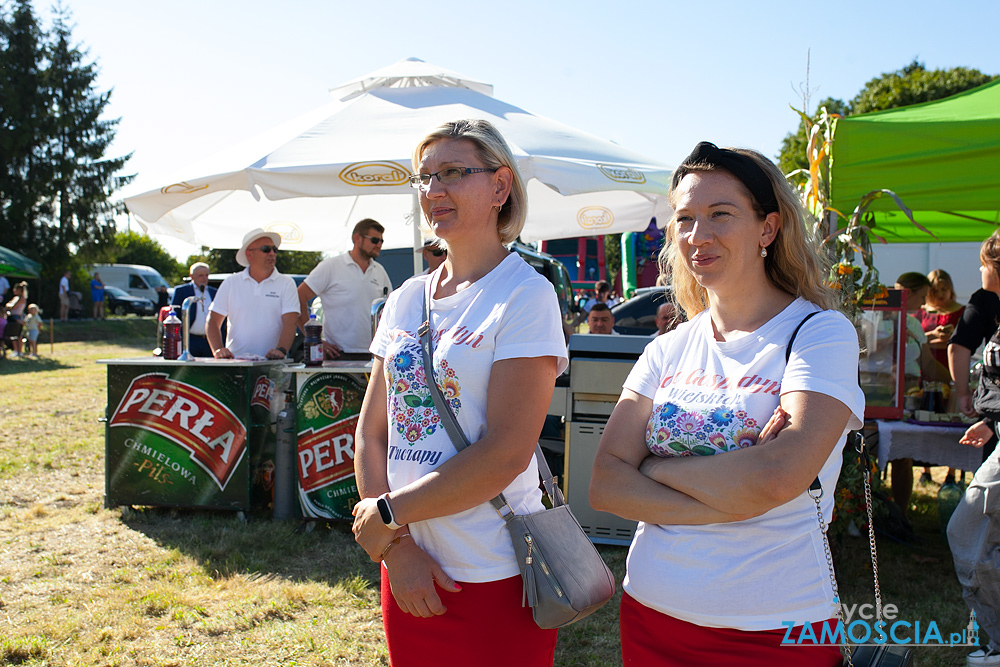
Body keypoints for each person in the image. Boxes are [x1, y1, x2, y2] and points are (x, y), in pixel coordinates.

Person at [589, 141, 864, 666]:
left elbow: (776, 479)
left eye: (720, 214)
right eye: (685, 219)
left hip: (774, 627)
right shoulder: (666, 346)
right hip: (651, 613)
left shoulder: (819, 334)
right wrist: (736, 490)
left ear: (768, 227)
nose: (698, 235)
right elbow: (604, 482)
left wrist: (652, 465)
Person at [351, 119, 568, 667]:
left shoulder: (525, 295)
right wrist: (395, 548)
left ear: (500, 187)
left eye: (452, 173)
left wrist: (384, 517)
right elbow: (372, 430)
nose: (433, 191)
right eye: (424, 178)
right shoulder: (404, 298)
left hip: (493, 571)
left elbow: (504, 454)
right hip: (408, 566)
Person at [948, 231, 1000, 667]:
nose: (979, 273)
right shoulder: (990, 307)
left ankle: (995, 642)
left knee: (967, 532)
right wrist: (991, 421)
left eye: (982, 263)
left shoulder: (984, 302)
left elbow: (957, 346)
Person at [298, 219, 392, 360]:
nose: (379, 245)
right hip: (337, 355)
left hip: (375, 354)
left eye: (381, 241)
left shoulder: (380, 271)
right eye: (374, 240)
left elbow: (391, 308)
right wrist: (315, 340)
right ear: (357, 239)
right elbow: (299, 296)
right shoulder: (331, 266)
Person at [207, 229, 298, 360]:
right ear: (249, 254)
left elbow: (291, 320)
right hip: (236, 363)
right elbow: (213, 320)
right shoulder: (231, 282)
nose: (272, 253)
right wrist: (218, 350)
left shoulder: (286, 283)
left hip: (273, 364)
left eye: (274, 249)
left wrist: (281, 350)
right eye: (266, 249)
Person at [918, 268, 965, 485]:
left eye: (944, 290)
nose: (939, 295)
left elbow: (963, 343)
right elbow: (913, 339)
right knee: (927, 412)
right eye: (935, 291)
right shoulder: (921, 312)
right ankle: (925, 468)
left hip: (948, 367)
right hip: (925, 369)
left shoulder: (961, 311)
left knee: (950, 415)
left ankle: (951, 472)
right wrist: (932, 337)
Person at [890, 272, 932, 512]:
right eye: (923, 296)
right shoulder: (881, 318)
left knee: (903, 455)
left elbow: (927, 364)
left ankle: (900, 513)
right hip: (886, 392)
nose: (925, 303)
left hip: (911, 392)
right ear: (909, 292)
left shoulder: (914, 323)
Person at [170, 262, 217, 357]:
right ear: (192, 276)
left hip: (210, 340)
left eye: (206, 275)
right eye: (200, 275)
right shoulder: (182, 291)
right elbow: (175, 313)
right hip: (190, 340)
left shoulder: (214, 292)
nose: (204, 278)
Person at [4, 282, 28, 357]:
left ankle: (20, 351)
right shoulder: (16, 298)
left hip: (17, 318)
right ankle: (15, 350)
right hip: (12, 317)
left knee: (18, 335)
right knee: (13, 335)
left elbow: (12, 307)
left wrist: (8, 306)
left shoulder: (20, 298)